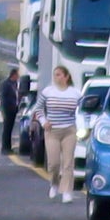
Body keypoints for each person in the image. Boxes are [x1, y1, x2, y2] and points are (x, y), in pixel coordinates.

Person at [38, 60, 86, 201]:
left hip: (69, 130)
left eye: (59, 75)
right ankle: (54, 183)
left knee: (68, 162)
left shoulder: (76, 93)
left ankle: (67, 191)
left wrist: (81, 126)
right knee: (53, 163)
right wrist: (43, 121)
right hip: (52, 130)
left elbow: (82, 111)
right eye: (55, 75)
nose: (56, 77)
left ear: (66, 77)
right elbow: (38, 109)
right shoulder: (48, 92)